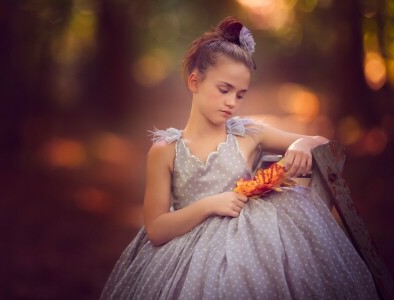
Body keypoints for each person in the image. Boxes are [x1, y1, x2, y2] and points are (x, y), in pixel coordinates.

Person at [100, 16, 378, 299]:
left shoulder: (247, 134)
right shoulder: (166, 151)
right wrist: (210, 205)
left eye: (240, 94)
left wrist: (302, 144)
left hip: (248, 245)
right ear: (194, 81)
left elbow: (321, 143)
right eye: (224, 90)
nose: (232, 102)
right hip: (186, 253)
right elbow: (156, 229)